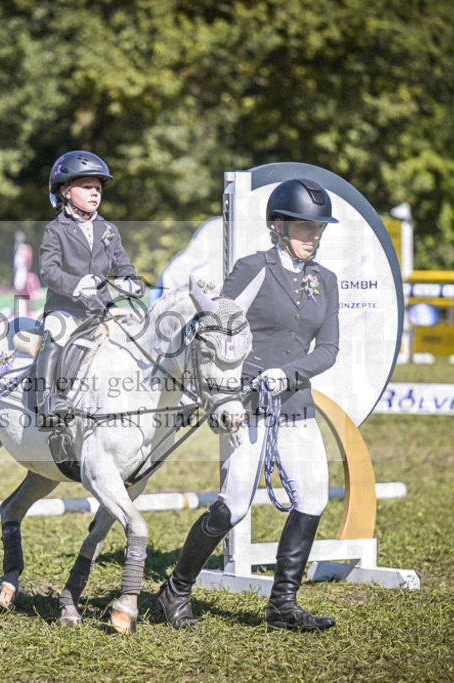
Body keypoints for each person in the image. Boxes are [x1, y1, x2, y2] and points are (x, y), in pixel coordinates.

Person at [156, 177, 341, 630]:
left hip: (296, 403)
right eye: (304, 228)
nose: (312, 237)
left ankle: (282, 604)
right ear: (277, 226)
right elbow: (220, 330)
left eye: (318, 229)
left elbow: (329, 349)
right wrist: (249, 379)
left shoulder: (326, 280)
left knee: (313, 497)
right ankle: (174, 591)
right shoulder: (252, 268)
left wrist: (290, 374)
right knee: (233, 506)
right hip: (248, 404)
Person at [37, 150, 142, 428]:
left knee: (137, 333)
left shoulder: (108, 229)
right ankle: (50, 401)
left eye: (97, 188)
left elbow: (122, 264)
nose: (95, 193)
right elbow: (48, 270)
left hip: (103, 308)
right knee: (55, 333)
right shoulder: (55, 230)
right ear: (65, 191)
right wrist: (75, 285)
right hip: (66, 307)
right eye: (86, 187)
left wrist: (131, 281)